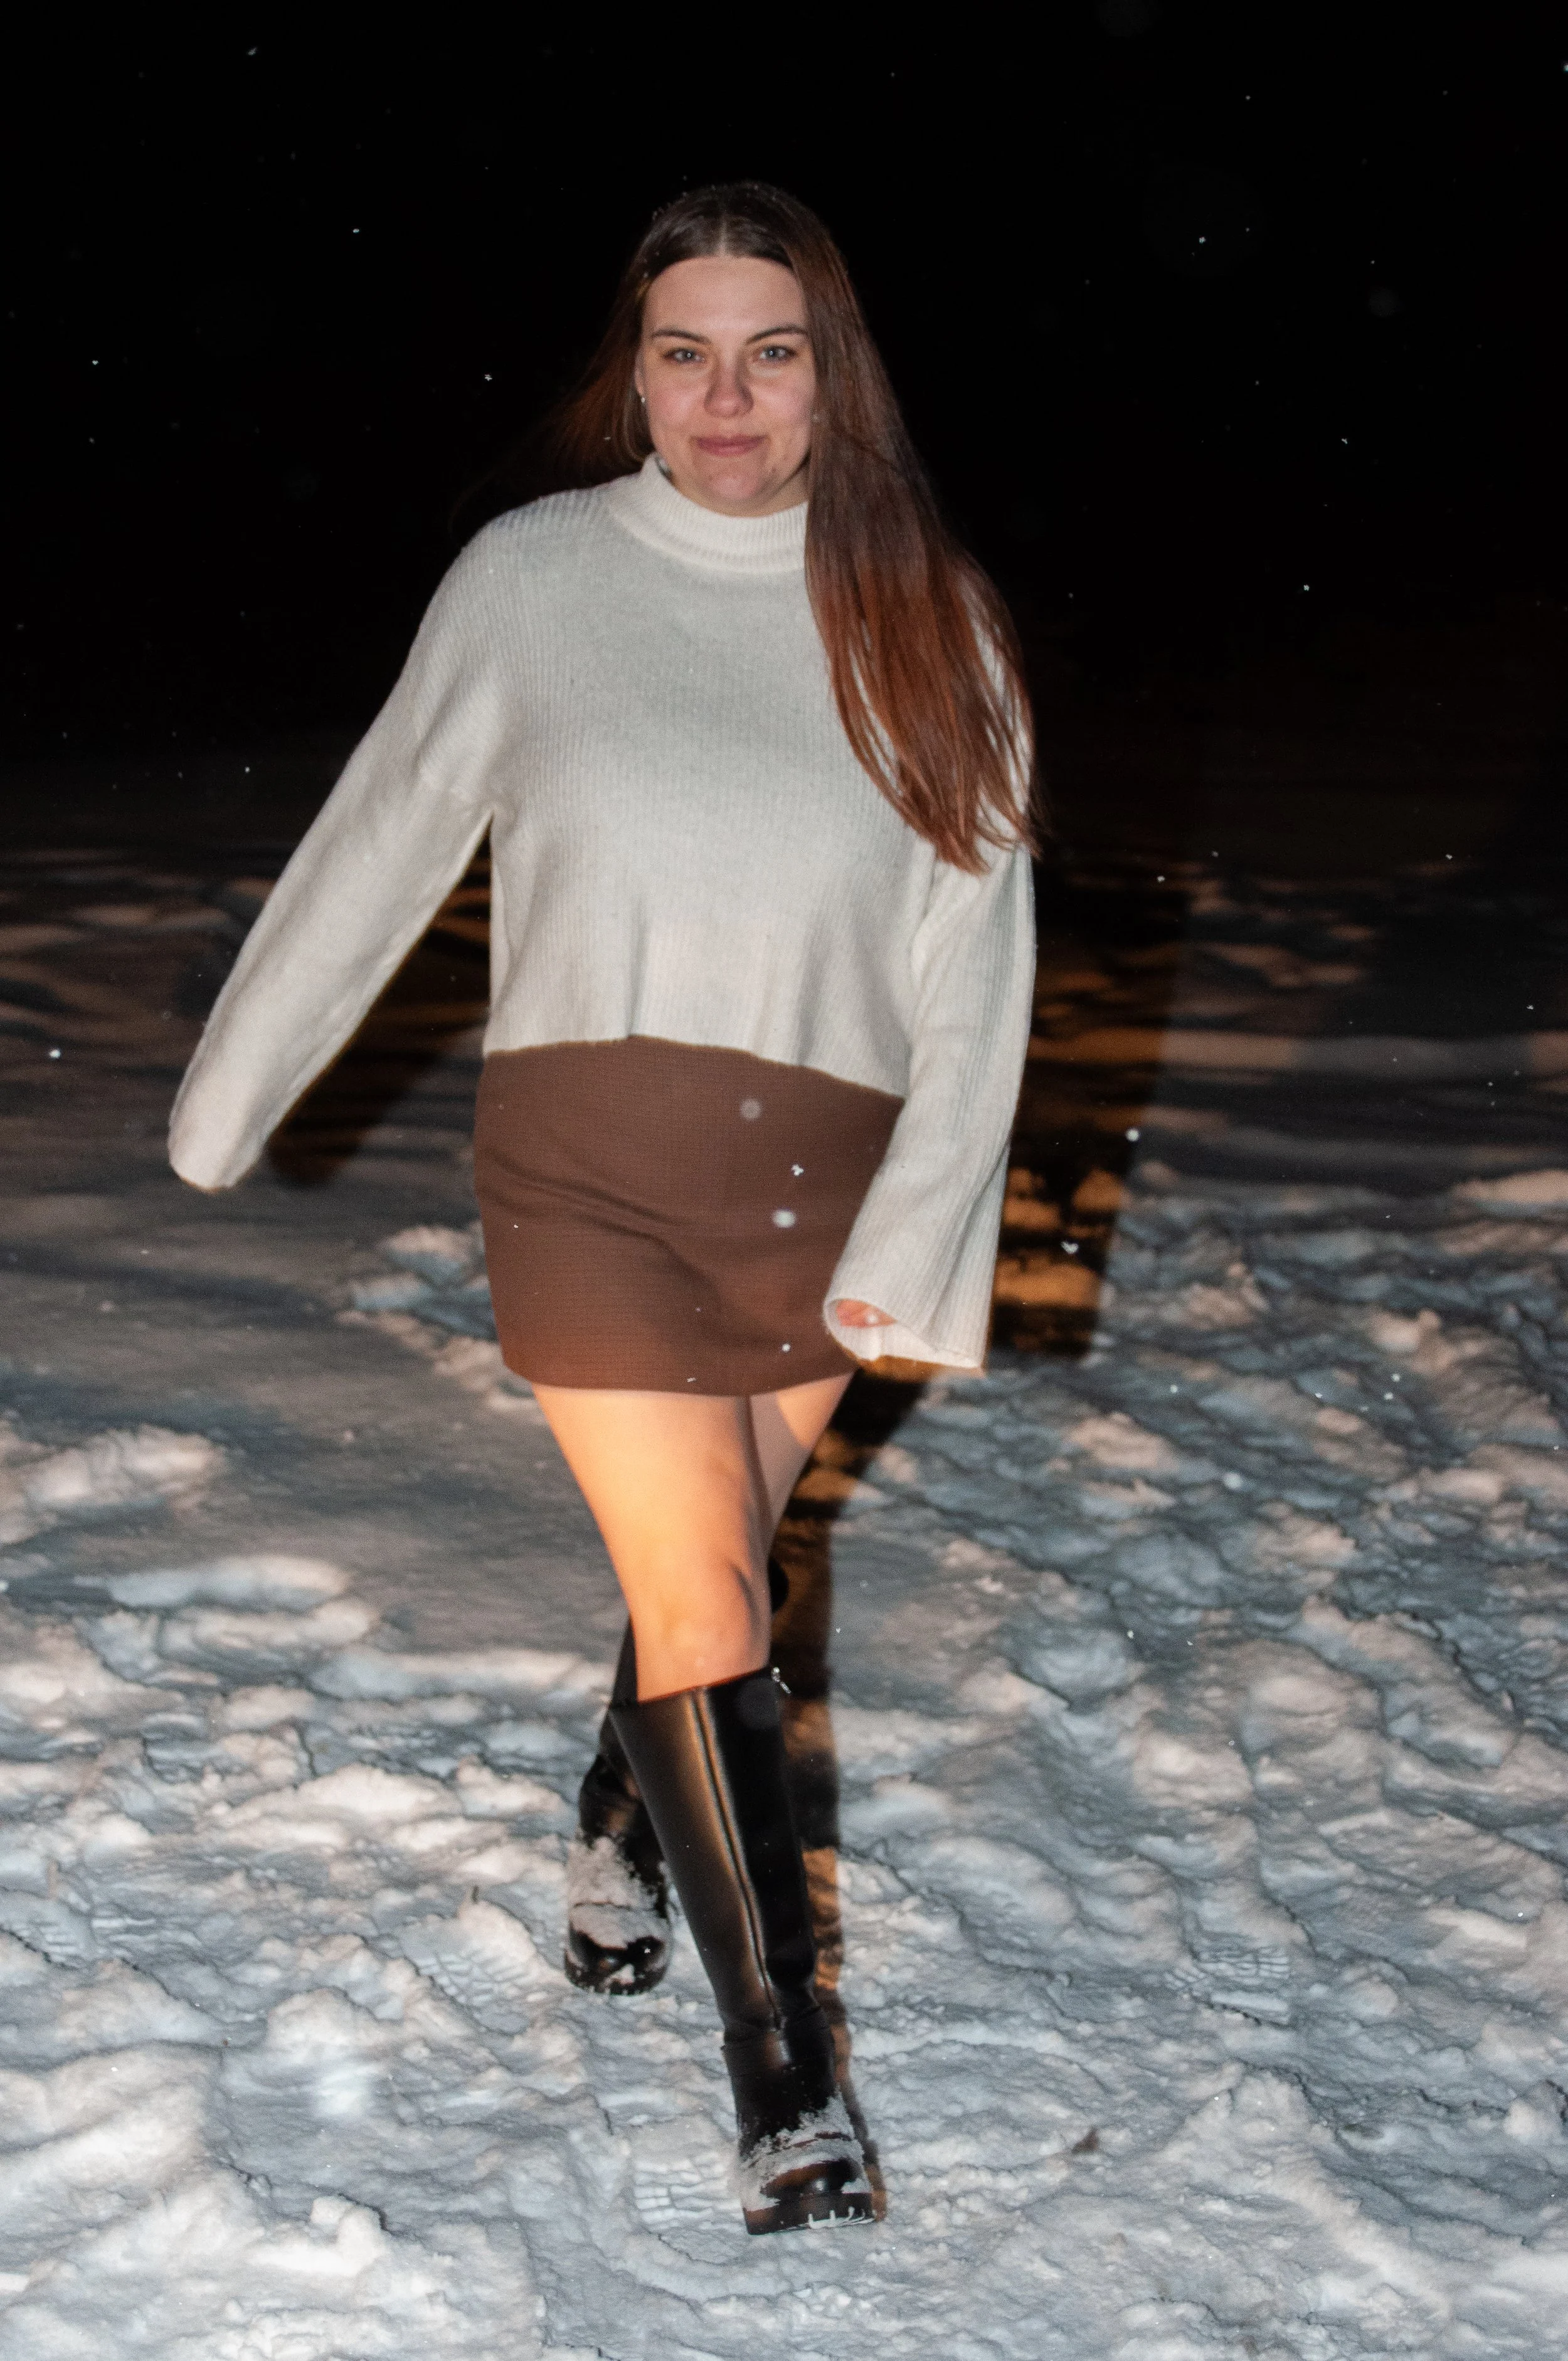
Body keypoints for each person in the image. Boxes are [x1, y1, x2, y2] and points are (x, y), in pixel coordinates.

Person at [169, 181, 1037, 2237]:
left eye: (770, 352)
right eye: (680, 351)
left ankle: (625, 1820)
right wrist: (231, 1099)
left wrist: (926, 1237)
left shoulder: (931, 614)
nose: (723, 399)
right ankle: (785, 2076)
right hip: (587, 1172)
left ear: (836, 378)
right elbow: (383, 826)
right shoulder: (536, 582)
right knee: (714, 1593)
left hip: (822, 1184)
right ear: (626, 370)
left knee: (707, 1569)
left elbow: (973, 953)